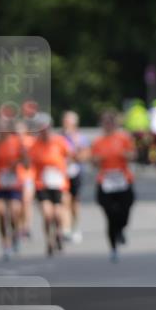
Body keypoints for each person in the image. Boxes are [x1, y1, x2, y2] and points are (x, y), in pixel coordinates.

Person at [90, 110, 136, 262]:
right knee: (110, 215)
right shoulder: (98, 141)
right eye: (105, 122)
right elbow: (93, 162)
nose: (108, 125)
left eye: (111, 122)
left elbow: (133, 155)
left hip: (123, 179)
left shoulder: (123, 138)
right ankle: (113, 248)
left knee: (125, 211)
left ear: (115, 124)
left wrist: (125, 154)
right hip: (106, 181)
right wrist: (97, 159)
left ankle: (121, 229)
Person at [28, 113, 75, 257]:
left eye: (46, 129)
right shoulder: (34, 144)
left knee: (58, 213)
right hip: (41, 183)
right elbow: (27, 163)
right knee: (47, 215)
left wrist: (65, 168)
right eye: (41, 130)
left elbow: (71, 156)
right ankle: (49, 240)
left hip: (58, 183)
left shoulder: (59, 141)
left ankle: (59, 233)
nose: (44, 132)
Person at [0, 118, 29, 260]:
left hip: (13, 183)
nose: (1, 131)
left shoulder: (16, 142)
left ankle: (15, 234)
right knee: (1, 213)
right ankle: (6, 244)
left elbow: (27, 164)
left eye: (3, 128)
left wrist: (20, 159)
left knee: (15, 212)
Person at [61, 110, 91, 242]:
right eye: (65, 121)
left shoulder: (81, 138)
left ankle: (75, 226)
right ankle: (65, 229)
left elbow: (84, 157)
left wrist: (75, 144)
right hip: (62, 174)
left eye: (69, 122)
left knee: (75, 202)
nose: (66, 124)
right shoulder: (59, 138)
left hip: (76, 173)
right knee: (64, 200)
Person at [15, 118, 36, 241]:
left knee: (27, 201)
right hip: (15, 177)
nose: (18, 131)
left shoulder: (32, 142)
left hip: (28, 176)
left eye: (21, 128)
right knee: (18, 206)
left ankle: (27, 227)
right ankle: (18, 227)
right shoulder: (12, 143)